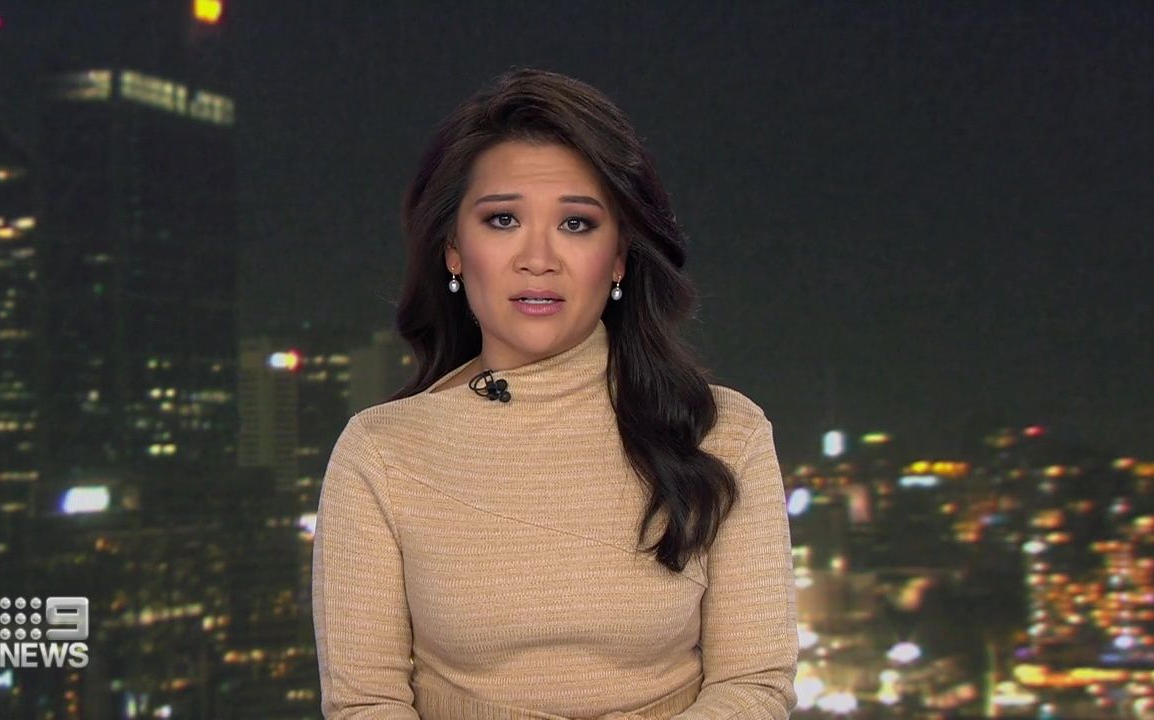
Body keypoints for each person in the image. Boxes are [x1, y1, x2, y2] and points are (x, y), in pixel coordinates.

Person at [311, 67, 798, 720]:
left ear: (619, 257)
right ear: (454, 250)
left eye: (576, 224)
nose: (537, 257)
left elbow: (755, 685)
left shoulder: (724, 433)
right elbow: (365, 705)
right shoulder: (382, 452)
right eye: (503, 219)